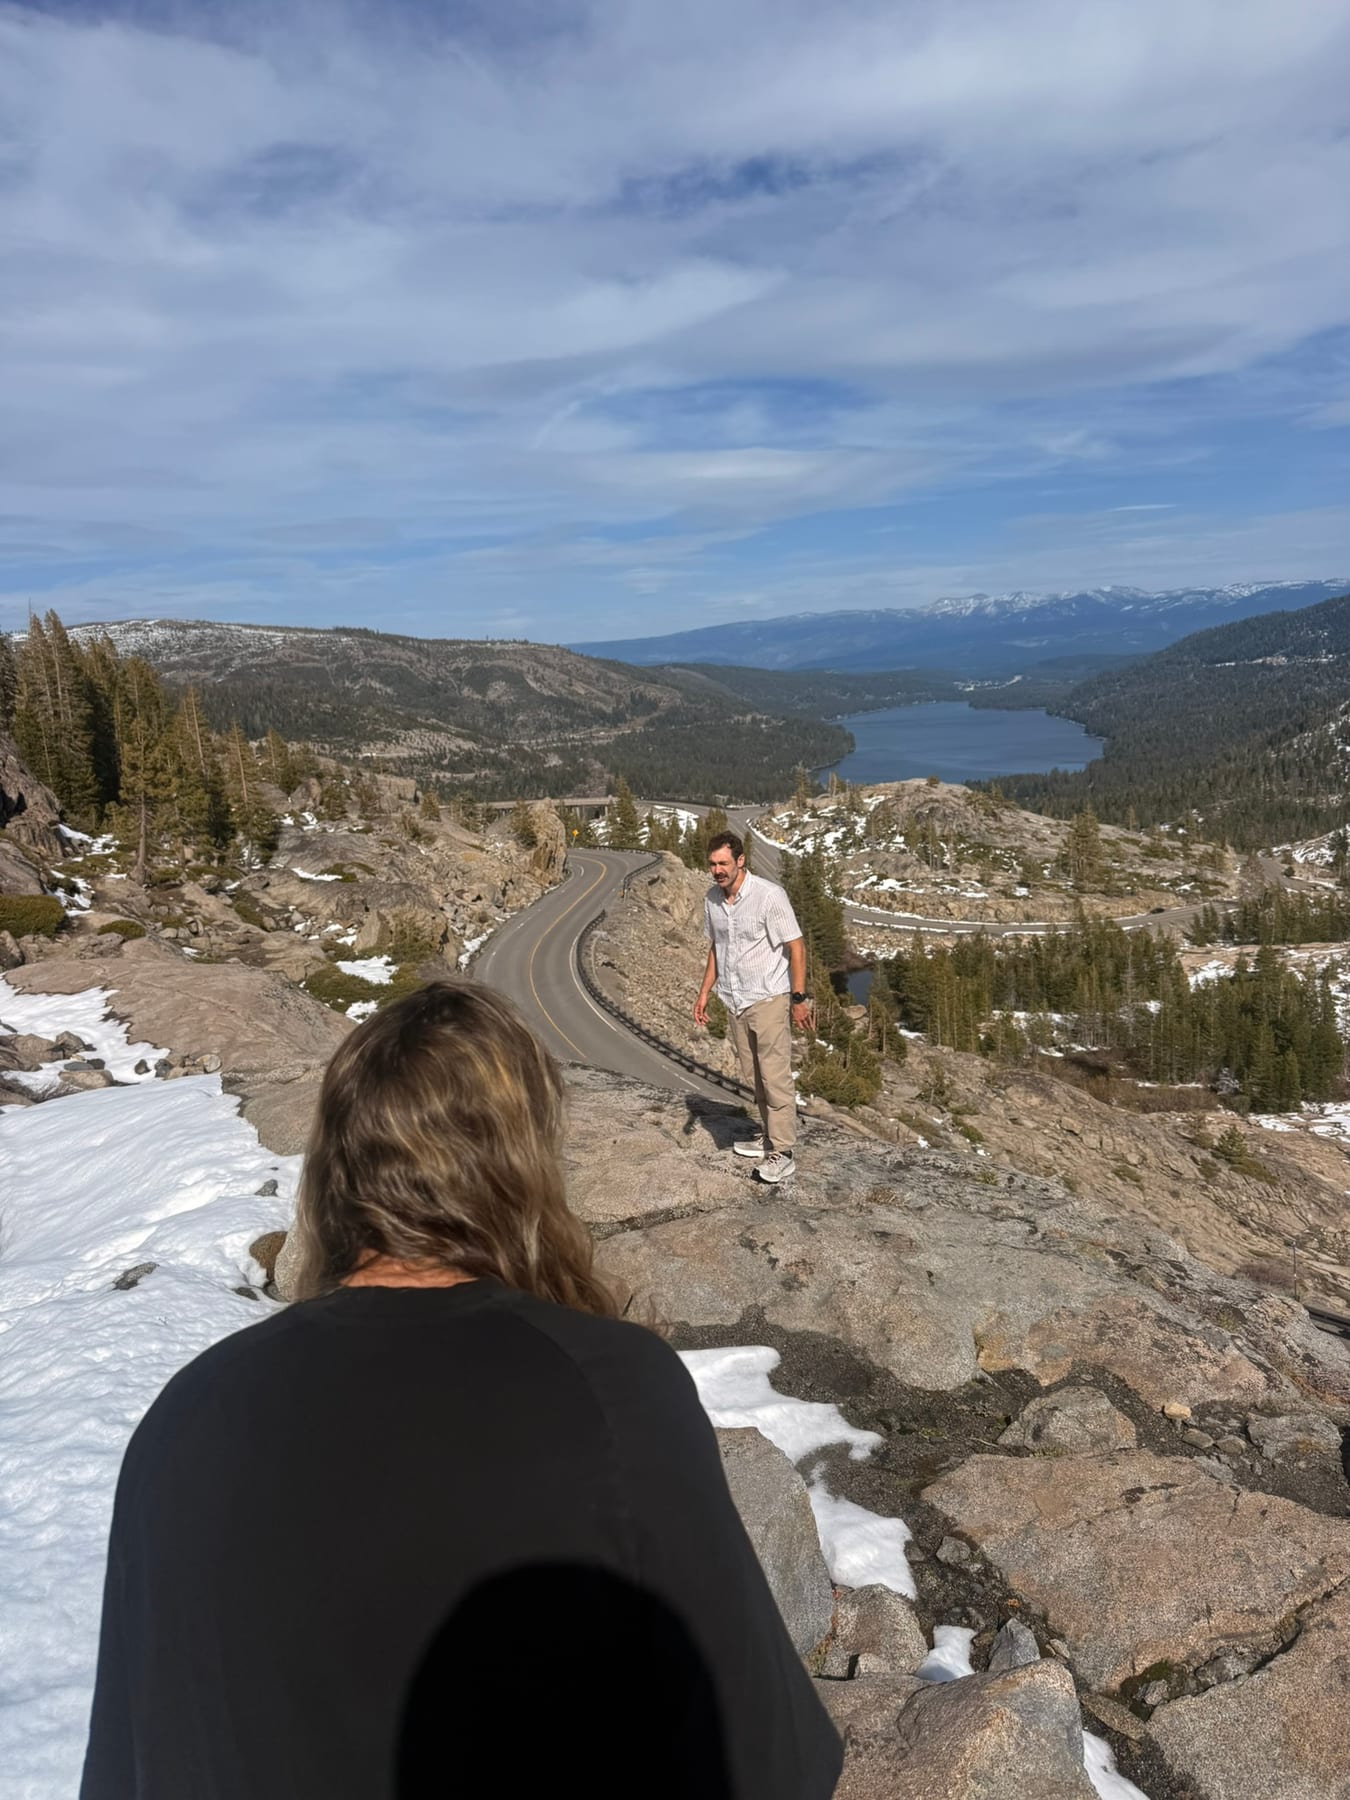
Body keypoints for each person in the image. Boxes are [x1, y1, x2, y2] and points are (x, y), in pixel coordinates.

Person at [80, 981, 842, 1800]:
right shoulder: (608, 1391)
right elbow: (760, 1761)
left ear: (335, 1173)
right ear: (522, 1167)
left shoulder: (185, 1415)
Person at [694, 831, 812, 1185]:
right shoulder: (712, 900)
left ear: (740, 860)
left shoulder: (769, 896)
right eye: (713, 864)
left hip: (768, 998)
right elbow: (717, 948)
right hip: (735, 999)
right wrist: (704, 993)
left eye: (724, 863)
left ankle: (783, 1152)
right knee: (755, 1076)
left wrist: (799, 997)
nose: (718, 870)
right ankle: (769, 1136)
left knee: (775, 1077)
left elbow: (797, 947)